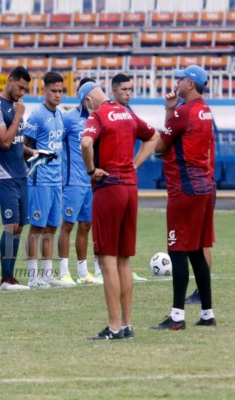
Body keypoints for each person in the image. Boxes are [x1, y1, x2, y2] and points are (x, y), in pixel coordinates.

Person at [80, 82, 158, 339]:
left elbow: (86, 144)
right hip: (130, 190)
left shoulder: (97, 115)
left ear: (89, 100)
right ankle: (126, 324)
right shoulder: (127, 113)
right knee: (124, 259)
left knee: (107, 259)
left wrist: (92, 170)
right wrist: (135, 165)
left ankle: (113, 327)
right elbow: (153, 136)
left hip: (109, 189)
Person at [150, 65, 217, 329]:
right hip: (205, 188)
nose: (177, 81)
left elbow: (159, 146)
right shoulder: (206, 110)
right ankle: (207, 313)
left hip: (184, 189)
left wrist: (169, 111)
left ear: (190, 83)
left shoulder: (183, 112)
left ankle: (177, 317)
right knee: (197, 251)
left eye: (181, 78)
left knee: (177, 249)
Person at [0, 66, 32, 291]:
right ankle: (5, 279)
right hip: (5, 175)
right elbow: (4, 141)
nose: (22, 92)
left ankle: (11, 278)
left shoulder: (16, 107)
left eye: (26, 89)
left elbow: (15, 142)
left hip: (21, 173)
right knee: (10, 225)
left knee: (20, 226)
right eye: (20, 87)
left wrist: (31, 153)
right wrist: (18, 115)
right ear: (9, 80)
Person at [57, 78, 102, 286]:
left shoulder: (99, 118)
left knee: (86, 225)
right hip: (72, 181)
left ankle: (83, 272)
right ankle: (64, 272)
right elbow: (56, 144)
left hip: (91, 180)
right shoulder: (69, 118)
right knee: (67, 225)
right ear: (86, 99)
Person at [24, 72, 65, 288]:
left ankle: (47, 274)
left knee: (51, 227)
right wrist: (38, 157)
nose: (57, 95)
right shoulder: (37, 115)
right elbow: (23, 146)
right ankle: (32, 276)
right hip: (39, 180)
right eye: (54, 91)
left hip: (56, 180)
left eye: (60, 91)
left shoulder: (60, 115)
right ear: (44, 91)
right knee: (37, 228)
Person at [110, 73, 148, 283]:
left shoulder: (130, 115)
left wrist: (135, 164)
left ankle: (119, 271)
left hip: (127, 184)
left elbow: (153, 137)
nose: (127, 93)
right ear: (113, 91)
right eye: (124, 89)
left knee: (124, 243)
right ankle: (103, 270)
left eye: (130, 89)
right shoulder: (105, 113)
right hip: (109, 183)